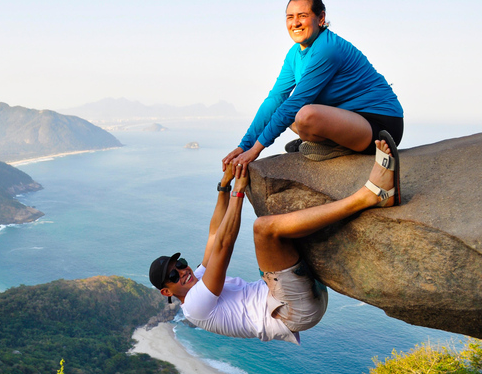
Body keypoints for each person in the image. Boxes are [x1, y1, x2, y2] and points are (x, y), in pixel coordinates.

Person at [149, 132, 401, 344]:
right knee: (264, 230)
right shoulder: (195, 305)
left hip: (295, 294)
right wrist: (239, 193)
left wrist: (224, 186)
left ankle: (311, 154)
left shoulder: (198, 279)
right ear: (166, 291)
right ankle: (371, 195)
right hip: (292, 311)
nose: (182, 272)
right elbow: (224, 246)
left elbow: (215, 234)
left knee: (284, 221)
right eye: (174, 276)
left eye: (180, 265)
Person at [223, 0, 403, 168]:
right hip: (346, 120)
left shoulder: (327, 49)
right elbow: (275, 99)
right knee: (282, 108)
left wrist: (255, 150)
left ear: (321, 18)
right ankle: (328, 145)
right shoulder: (294, 54)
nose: (295, 23)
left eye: (302, 16)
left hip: (380, 126)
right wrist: (244, 146)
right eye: (290, 17)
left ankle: (335, 148)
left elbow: (297, 101)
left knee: (304, 114)